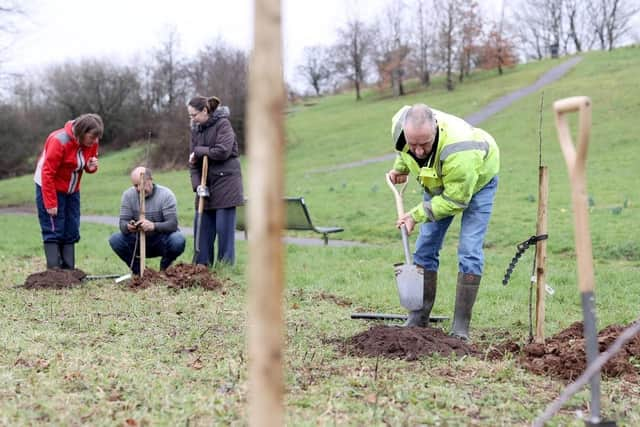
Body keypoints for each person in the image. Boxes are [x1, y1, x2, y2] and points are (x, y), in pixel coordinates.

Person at [388, 104, 499, 340]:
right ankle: (418, 317)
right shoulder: (400, 127)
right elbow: (403, 152)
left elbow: (455, 200)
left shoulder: (460, 150)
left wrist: (415, 215)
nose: (418, 151)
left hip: (477, 183)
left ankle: (460, 326)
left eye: (424, 145)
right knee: (425, 246)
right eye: (413, 144)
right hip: (436, 180)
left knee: (469, 250)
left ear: (435, 129)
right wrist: (400, 168)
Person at [34, 113, 103, 270]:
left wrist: (91, 167)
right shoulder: (59, 141)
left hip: (72, 189)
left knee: (71, 226)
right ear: (81, 132)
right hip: (49, 186)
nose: (95, 141)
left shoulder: (92, 142)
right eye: (92, 137)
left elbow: (86, 163)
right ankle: (54, 270)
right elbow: (47, 173)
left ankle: (69, 269)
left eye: (98, 137)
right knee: (54, 226)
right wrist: (50, 203)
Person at [187, 95, 244, 266]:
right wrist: (198, 186)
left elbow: (223, 151)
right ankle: (202, 266)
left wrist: (198, 150)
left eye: (194, 115)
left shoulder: (223, 124)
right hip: (205, 185)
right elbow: (193, 163)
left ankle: (225, 267)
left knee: (224, 230)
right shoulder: (196, 129)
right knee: (202, 227)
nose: (192, 119)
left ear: (205, 111)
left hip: (226, 184)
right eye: (190, 116)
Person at [108, 167, 186, 275]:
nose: (139, 189)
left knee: (178, 240)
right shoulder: (128, 196)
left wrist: (153, 226)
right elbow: (122, 224)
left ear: (150, 180)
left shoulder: (166, 195)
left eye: (142, 184)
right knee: (115, 240)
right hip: (137, 239)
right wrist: (128, 226)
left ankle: (165, 269)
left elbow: (172, 224)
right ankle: (140, 271)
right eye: (135, 185)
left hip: (161, 239)